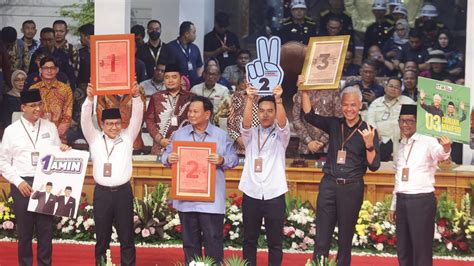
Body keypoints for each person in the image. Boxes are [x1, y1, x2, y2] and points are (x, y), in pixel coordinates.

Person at [301, 85, 381, 265]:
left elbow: (374, 165)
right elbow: (309, 115)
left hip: (351, 187)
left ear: (360, 105)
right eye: (346, 105)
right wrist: (305, 90)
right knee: (322, 234)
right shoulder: (335, 124)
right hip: (329, 184)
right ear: (341, 105)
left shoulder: (369, 130)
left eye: (353, 105)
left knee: (345, 237)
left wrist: (369, 145)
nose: (349, 109)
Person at [162, 96, 238, 264]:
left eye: (195, 111)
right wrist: (169, 158)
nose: (191, 114)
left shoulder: (220, 135)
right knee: (190, 243)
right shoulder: (179, 134)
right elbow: (164, 156)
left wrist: (222, 160)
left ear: (207, 114)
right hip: (186, 199)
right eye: (189, 111)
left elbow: (234, 158)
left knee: (213, 241)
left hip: (211, 201)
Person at [0, 89, 68, 266]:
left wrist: (64, 150)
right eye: (32, 106)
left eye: (39, 104)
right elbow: (3, 161)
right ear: (23, 107)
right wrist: (18, 181)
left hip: (45, 182)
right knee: (25, 232)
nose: (37, 109)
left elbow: (56, 154)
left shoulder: (50, 127)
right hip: (22, 183)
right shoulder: (11, 131)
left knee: (45, 230)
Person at [81, 82, 143, 265]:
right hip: (102, 194)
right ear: (102, 124)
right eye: (109, 124)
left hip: (123, 193)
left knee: (127, 238)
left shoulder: (128, 137)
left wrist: (136, 96)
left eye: (117, 123)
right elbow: (85, 119)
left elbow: (137, 117)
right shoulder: (94, 139)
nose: (114, 127)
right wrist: (89, 99)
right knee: (102, 238)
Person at [388, 104, 451, 266]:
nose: (405, 125)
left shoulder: (428, 139)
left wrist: (446, 147)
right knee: (403, 248)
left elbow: (440, 154)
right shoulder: (401, 143)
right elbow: (399, 177)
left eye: (409, 121)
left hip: (421, 201)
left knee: (421, 248)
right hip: (402, 199)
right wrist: (393, 206)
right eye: (402, 121)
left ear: (418, 122)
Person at [239, 84, 289, 266]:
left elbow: (283, 124)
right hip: (251, 192)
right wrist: (250, 99)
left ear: (275, 112)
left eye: (270, 111)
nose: (266, 114)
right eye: (261, 111)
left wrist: (279, 100)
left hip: (274, 193)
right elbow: (244, 125)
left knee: (275, 242)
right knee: (249, 240)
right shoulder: (251, 134)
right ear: (257, 113)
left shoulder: (282, 135)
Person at [145, 63, 194, 155]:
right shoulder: (156, 97)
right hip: (160, 147)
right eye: (167, 77)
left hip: (184, 147)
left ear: (181, 79)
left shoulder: (191, 98)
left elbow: (196, 121)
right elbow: (149, 120)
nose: (170, 80)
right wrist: (159, 139)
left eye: (174, 77)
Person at [367, 77, 414, 161]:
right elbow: (369, 120)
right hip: (379, 140)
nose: (393, 89)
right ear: (385, 87)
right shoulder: (376, 103)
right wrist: (375, 132)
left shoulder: (408, 102)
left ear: (400, 90)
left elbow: (412, 122)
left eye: (396, 87)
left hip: (399, 139)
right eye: (391, 86)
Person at [29, 56, 73, 144]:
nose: (49, 71)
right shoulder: (33, 89)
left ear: (57, 70)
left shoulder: (65, 89)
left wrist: (55, 134)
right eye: (46, 68)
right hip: (37, 135)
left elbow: (67, 115)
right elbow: (29, 112)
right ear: (40, 70)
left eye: (52, 68)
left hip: (59, 136)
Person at [292, 84, 342, 155]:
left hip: (329, 146)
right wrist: (308, 141)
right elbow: (296, 118)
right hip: (306, 147)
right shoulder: (303, 89)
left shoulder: (334, 89)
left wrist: (322, 141)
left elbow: (338, 119)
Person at [96, 88, 147, 153]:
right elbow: (101, 121)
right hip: (110, 143)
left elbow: (140, 119)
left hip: (133, 142)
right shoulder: (103, 93)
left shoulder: (137, 92)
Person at [227, 82, 260, 155]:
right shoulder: (237, 96)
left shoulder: (265, 96)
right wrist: (239, 139)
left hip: (260, 147)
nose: (248, 82)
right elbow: (230, 124)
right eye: (246, 79)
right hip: (239, 148)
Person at [168, 21, 204, 87]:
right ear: (187, 34)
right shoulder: (170, 48)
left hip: (194, 86)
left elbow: (199, 66)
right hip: (177, 86)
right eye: (194, 32)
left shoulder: (195, 48)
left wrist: (198, 80)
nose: (195, 35)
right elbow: (168, 70)